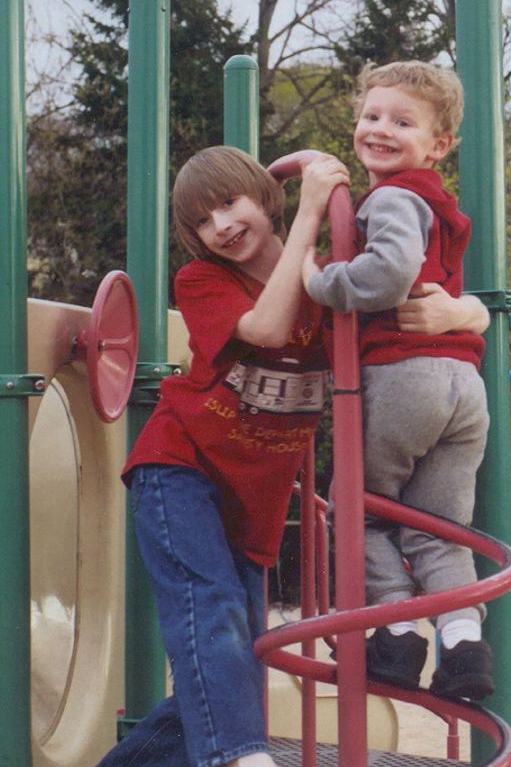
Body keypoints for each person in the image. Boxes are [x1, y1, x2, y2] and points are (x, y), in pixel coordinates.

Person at [97, 145, 350, 767]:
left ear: (264, 195)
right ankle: (243, 759)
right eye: (203, 221)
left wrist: (464, 310)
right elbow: (266, 328)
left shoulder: (331, 283)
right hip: (178, 468)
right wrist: (310, 212)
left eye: (230, 203)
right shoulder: (203, 281)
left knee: (236, 663)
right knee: (213, 613)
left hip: (251, 500)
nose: (221, 226)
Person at [303, 60, 494, 701]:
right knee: (437, 529)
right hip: (463, 385)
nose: (381, 129)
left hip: (403, 376)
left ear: (439, 145)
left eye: (403, 122)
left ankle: (397, 634)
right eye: (372, 116)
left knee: (356, 507)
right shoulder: (439, 204)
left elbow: (387, 274)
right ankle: (463, 645)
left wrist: (322, 281)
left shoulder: (391, 197)